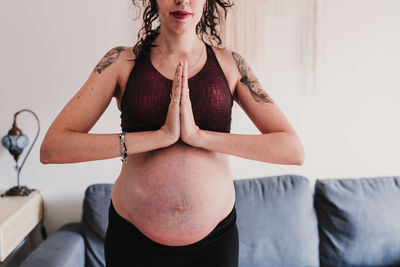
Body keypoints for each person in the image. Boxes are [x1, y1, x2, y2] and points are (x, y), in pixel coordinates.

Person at [40, 0, 305, 266]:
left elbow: (292, 150)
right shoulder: (122, 61)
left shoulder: (230, 64)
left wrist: (199, 136)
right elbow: (53, 148)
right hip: (132, 243)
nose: (182, 0)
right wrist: (159, 137)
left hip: (215, 245)